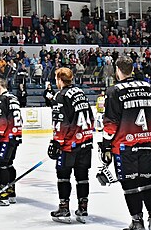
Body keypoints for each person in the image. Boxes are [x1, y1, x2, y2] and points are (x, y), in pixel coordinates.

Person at [100, 56, 151, 230]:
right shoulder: (149, 88)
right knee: (148, 182)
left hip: (124, 147)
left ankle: (137, 222)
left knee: (130, 185)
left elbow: (110, 124)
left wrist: (105, 145)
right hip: (145, 143)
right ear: (132, 69)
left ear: (118, 70)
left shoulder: (115, 91)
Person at [47, 68, 95, 223]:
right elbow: (91, 118)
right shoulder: (80, 93)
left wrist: (57, 141)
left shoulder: (60, 96)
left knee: (63, 176)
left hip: (69, 144)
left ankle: (64, 208)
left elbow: (61, 122)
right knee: (82, 176)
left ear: (60, 79)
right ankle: (83, 208)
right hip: (86, 141)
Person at [0, 78, 23, 206]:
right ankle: (11, 192)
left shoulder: (1, 99)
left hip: (7, 136)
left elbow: (0, 119)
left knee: (1, 163)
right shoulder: (14, 98)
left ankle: (3, 195)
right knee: (9, 164)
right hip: (15, 135)